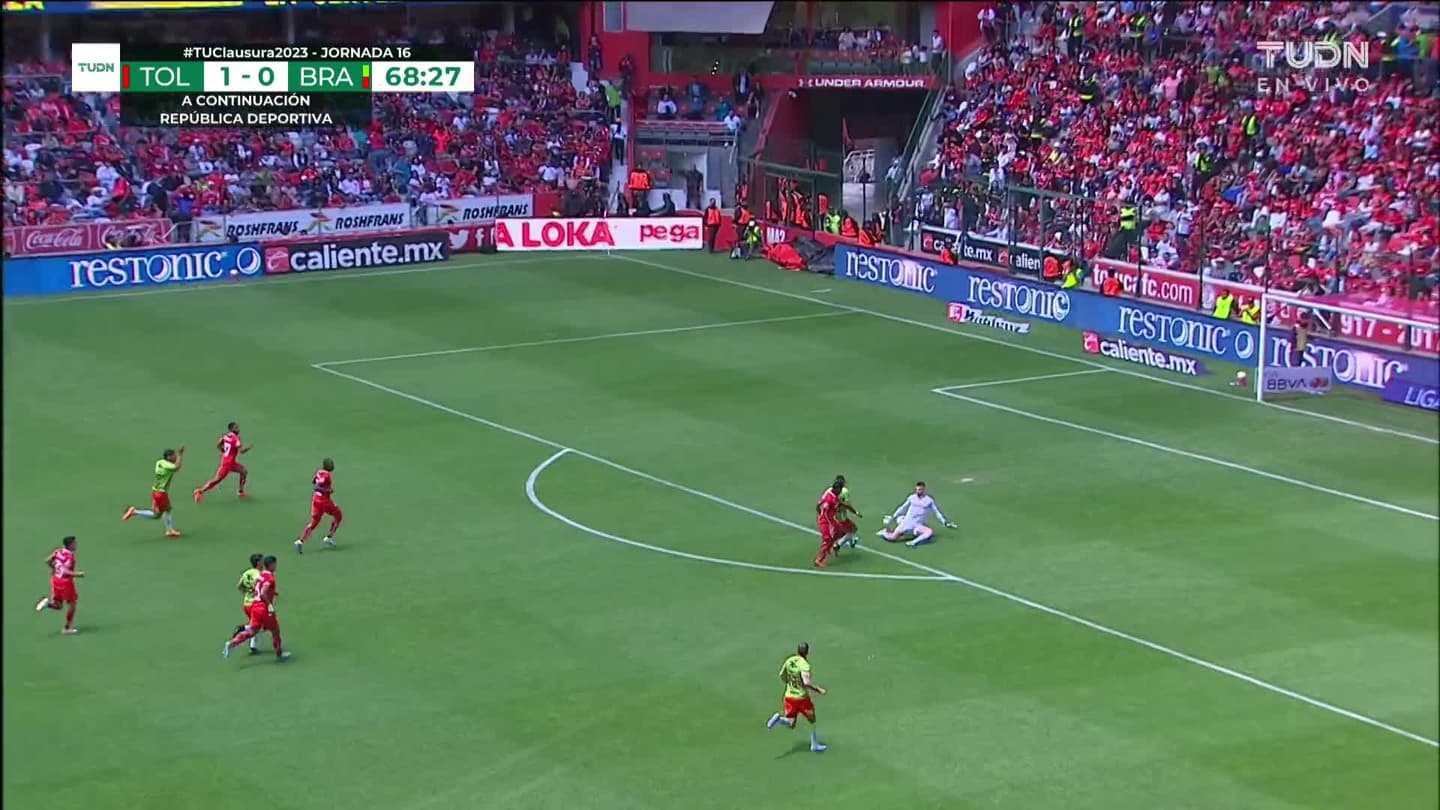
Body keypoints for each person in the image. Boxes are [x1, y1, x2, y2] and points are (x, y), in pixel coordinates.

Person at [224, 555, 288, 661]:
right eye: (275, 564)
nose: (276, 566)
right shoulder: (270, 578)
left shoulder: (261, 575)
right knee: (275, 630)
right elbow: (263, 593)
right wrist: (269, 604)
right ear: (271, 565)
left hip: (255, 606)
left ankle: (231, 644)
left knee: (253, 631)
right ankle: (279, 654)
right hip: (263, 609)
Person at [765, 642, 827, 752]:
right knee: (812, 718)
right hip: (801, 698)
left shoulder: (790, 660)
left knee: (791, 723)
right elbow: (806, 682)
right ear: (807, 652)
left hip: (789, 696)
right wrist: (818, 689)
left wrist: (789, 684)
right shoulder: (804, 665)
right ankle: (814, 744)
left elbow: (781, 675)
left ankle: (779, 719)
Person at [123, 446, 185, 538]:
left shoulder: (159, 462)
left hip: (156, 491)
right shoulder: (168, 466)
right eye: (173, 456)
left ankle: (169, 530)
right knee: (157, 515)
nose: (175, 457)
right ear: (168, 457)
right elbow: (176, 467)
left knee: (167, 509)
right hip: (161, 493)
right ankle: (135, 512)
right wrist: (180, 455)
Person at [877, 481, 956, 547]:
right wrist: (893, 516)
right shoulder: (912, 497)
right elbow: (902, 507)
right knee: (893, 538)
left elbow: (937, 512)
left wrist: (945, 522)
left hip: (917, 525)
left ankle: (913, 542)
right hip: (907, 522)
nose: (919, 491)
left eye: (920, 489)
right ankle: (884, 532)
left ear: (924, 489)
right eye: (917, 489)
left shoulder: (929, 500)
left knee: (929, 532)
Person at [35, 535, 83, 634]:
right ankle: (67, 628)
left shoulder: (58, 551)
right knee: (72, 604)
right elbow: (65, 571)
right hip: (65, 583)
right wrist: (78, 574)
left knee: (58, 605)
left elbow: (47, 560)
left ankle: (47, 604)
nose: (76, 544)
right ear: (70, 545)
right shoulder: (69, 557)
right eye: (74, 543)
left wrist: (52, 569)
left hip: (55, 580)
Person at [194, 421, 252, 502]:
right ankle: (199, 491)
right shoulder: (236, 438)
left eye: (238, 427)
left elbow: (218, 444)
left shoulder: (225, 436)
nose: (238, 429)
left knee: (244, 471)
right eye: (236, 428)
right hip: (227, 464)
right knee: (217, 480)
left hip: (232, 463)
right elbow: (241, 451)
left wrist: (223, 451)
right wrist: (248, 448)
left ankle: (240, 491)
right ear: (231, 429)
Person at [295, 457, 342, 553]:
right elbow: (317, 486)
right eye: (331, 464)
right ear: (328, 466)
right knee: (338, 515)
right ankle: (329, 537)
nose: (333, 466)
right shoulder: (327, 475)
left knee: (314, 523)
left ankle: (300, 541)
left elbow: (314, 482)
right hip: (324, 501)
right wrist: (328, 490)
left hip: (316, 500)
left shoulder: (319, 472)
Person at [233, 553, 266, 655]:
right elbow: (262, 587)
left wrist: (247, 591)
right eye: (262, 561)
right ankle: (243, 628)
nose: (263, 563)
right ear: (258, 562)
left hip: (246, 604)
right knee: (263, 626)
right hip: (256, 605)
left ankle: (252, 646)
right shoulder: (259, 575)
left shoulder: (246, 573)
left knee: (254, 624)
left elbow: (239, 586)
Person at [814, 480, 843, 568]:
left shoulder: (832, 494)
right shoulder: (830, 499)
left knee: (841, 530)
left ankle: (830, 545)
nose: (841, 491)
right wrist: (830, 523)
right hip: (826, 522)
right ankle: (819, 560)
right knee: (828, 539)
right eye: (840, 489)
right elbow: (825, 512)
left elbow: (819, 504)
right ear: (837, 489)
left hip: (830, 520)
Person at [829, 475, 863, 551]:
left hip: (832, 515)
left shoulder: (830, 490)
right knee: (853, 530)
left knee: (849, 530)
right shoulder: (844, 491)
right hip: (841, 516)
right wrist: (856, 513)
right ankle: (838, 544)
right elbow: (847, 504)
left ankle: (852, 541)